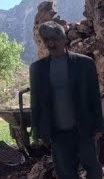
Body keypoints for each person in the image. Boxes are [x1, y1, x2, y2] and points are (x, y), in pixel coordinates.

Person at [30, 20, 104, 179]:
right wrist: (38, 131)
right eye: (46, 39)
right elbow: (36, 102)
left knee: (94, 170)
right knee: (66, 174)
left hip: (85, 130)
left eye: (54, 39)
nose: (51, 43)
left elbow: (94, 96)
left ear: (64, 39)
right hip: (58, 134)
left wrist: (98, 127)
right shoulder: (37, 69)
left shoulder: (85, 63)